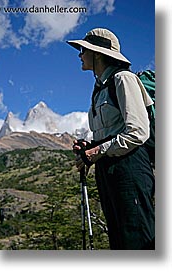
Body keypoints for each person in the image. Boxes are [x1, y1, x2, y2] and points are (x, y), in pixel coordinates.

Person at [67, 28, 155, 250]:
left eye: (83, 50)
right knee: (119, 238)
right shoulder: (99, 89)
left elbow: (138, 132)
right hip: (109, 171)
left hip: (131, 169)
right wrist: (92, 146)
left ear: (97, 53)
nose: (79, 54)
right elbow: (112, 133)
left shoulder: (124, 79)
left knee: (136, 237)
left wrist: (96, 152)